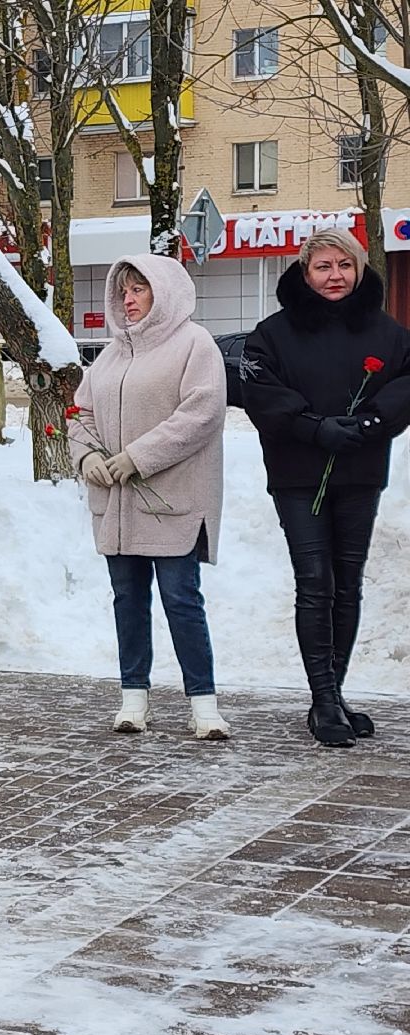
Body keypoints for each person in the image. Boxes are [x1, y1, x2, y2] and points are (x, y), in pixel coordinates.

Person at [241, 228, 410, 748]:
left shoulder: (388, 332)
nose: (334, 276)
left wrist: (371, 425)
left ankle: (332, 695)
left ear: (359, 269)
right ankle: (323, 698)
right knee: (315, 580)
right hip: (298, 472)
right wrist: (313, 427)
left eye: (344, 265)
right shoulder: (272, 333)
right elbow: (259, 389)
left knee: (348, 581)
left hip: (360, 469)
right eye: (323, 266)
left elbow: (406, 381)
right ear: (304, 271)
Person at [68, 254, 229, 740]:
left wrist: (138, 456)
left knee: (181, 599)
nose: (128, 300)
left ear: (166, 291)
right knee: (128, 598)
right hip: (117, 506)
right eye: (124, 292)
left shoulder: (194, 344)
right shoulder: (111, 354)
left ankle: (204, 704)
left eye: (139, 289)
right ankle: (133, 698)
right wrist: (88, 457)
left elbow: (202, 413)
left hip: (172, 502)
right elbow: (81, 414)